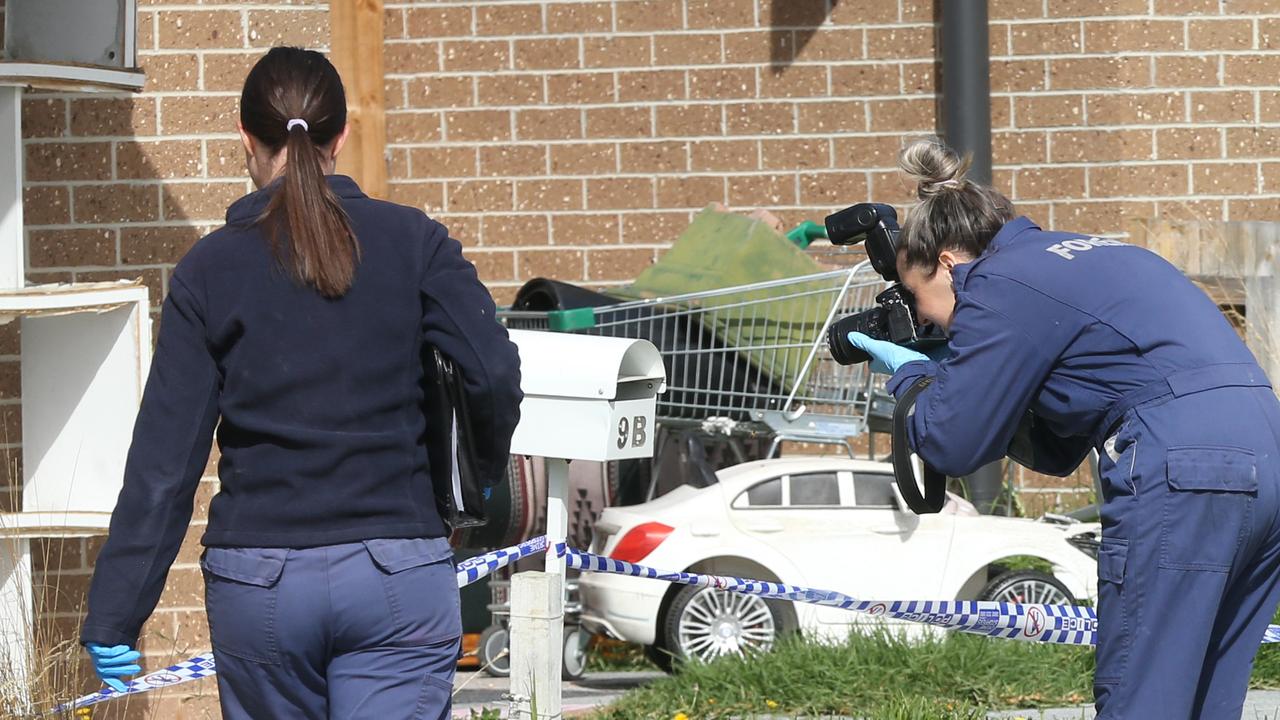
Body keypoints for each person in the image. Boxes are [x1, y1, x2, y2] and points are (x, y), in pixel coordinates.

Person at [79, 47, 523, 719]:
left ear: (246, 140)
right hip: (396, 573)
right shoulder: (415, 243)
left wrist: (117, 613)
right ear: (339, 137)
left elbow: (164, 469)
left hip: (261, 588)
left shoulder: (208, 270)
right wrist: (470, 487)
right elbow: (492, 373)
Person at [848, 137, 1280, 719]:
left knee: (1141, 698)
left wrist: (915, 378)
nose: (926, 319)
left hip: (1184, 470)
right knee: (1206, 699)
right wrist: (974, 375)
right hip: (1264, 462)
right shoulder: (1092, 256)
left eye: (921, 300)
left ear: (949, 263)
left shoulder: (998, 284)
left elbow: (953, 442)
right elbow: (1055, 448)